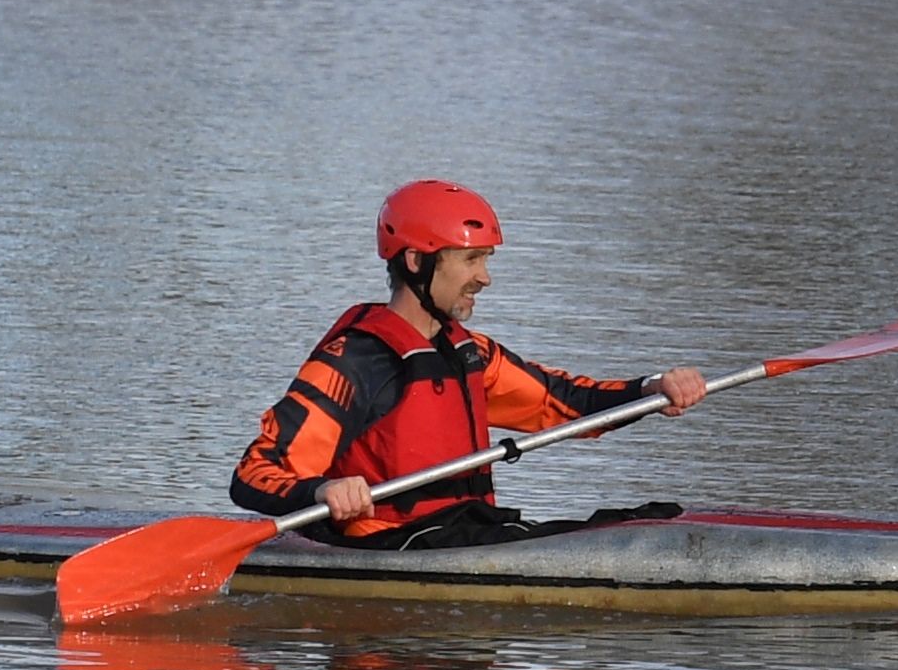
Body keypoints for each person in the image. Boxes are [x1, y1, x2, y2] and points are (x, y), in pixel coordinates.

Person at [230, 180, 703, 546]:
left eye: (486, 260)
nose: (485, 278)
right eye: (472, 260)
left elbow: (564, 403)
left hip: (466, 533)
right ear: (417, 261)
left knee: (648, 518)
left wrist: (650, 390)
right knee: (605, 535)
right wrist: (319, 491)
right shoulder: (353, 363)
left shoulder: (468, 353)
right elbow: (254, 472)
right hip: (393, 544)